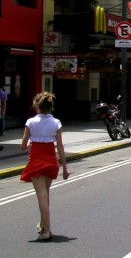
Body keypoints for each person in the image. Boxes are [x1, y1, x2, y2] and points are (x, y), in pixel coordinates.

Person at [20, 92, 69, 241]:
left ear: (36, 105)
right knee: (46, 194)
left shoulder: (30, 122)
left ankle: (47, 230)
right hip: (51, 161)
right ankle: (43, 225)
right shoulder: (56, 123)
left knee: (41, 195)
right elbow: (60, 147)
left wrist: (30, 143)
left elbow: (23, 146)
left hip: (36, 161)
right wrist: (65, 168)